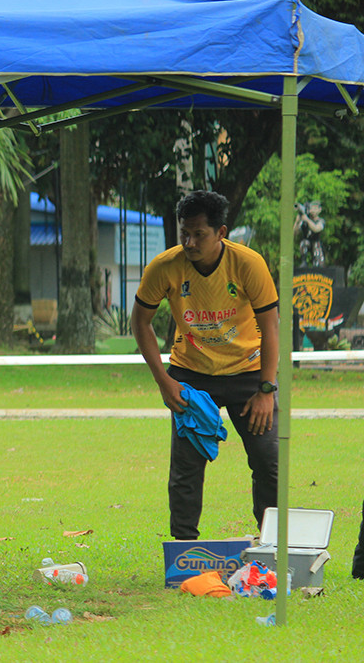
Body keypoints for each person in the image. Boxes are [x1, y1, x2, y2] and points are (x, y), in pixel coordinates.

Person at [131, 190, 279, 541]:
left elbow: (272, 328)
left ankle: (272, 545)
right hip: (191, 378)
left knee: (268, 463)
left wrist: (266, 389)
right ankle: (184, 551)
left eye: (199, 234)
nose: (190, 242)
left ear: (221, 232)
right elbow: (140, 323)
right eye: (185, 233)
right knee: (186, 469)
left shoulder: (248, 264)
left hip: (248, 374)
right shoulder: (165, 267)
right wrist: (165, 382)